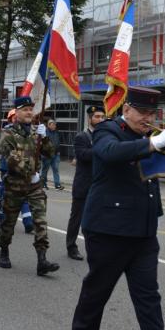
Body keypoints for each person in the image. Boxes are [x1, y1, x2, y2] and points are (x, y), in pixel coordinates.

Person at [72, 87, 165, 330]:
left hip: (144, 232)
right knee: (95, 296)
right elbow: (109, 153)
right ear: (126, 109)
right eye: (143, 112)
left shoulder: (145, 135)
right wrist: (154, 142)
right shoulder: (107, 129)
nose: (149, 119)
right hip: (109, 231)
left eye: (152, 114)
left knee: (148, 298)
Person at [0, 96, 59, 276]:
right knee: (8, 223)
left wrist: (45, 137)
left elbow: (50, 153)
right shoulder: (8, 133)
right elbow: (10, 158)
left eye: (31, 109)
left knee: (40, 221)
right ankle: (4, 250)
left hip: (34, 187)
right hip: (14, 186)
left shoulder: (36, 131)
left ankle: (42, 260)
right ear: (16, 112)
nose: (29, 113)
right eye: (25, 110)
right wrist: (30, 172)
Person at [66, 106, 105, 261]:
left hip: (100, 185)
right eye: (97, 116)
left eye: (102, 117)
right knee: (76, 218)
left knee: (97, 219)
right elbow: (83, 155)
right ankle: (71, 247)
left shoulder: (105, 136)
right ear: (90, 118)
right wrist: (102, 148)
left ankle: (96, 248)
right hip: (83, 185)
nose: (100, 119)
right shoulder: (82, 137)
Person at [0, 107, 34, 233]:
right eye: (12, 117)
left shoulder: (27, 131)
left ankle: (28, 221)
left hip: (24, 171)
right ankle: (1, 217)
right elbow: (9, 153)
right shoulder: (7, 132)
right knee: (4, 194)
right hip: (8, 169)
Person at [40, 119, 64, 190]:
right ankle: (43, 184)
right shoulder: (45, 132)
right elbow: (43, 143)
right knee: (45, 169)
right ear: (48, 125)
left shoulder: (57, 132)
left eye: (55, 124)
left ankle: (57, 185)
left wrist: (59, 151)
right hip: (47, 154)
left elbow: (58, 141)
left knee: (56, 169)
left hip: (56, 154)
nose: (54, 126)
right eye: (53, 124)